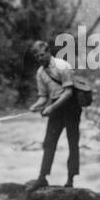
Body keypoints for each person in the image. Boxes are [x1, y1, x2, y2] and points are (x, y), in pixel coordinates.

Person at [28, 40, 81, 187]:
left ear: (49, 52)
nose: (40, 58)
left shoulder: (63, 66)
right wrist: (36, 106)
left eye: (42, 55)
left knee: (73, 143)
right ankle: (42, 176)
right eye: (37, 57)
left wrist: (51, 108)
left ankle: (71, 179)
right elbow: (43, 96)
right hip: (56, 107)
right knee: (48, 142)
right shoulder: (40, 73)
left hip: (71, 107)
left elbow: (69, 92)